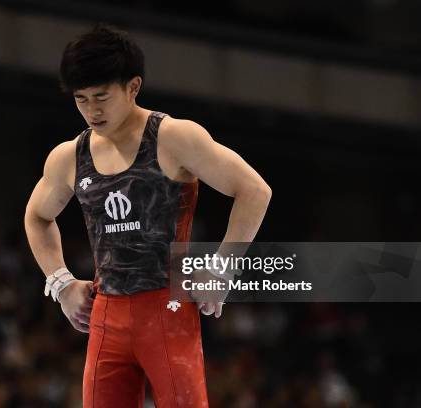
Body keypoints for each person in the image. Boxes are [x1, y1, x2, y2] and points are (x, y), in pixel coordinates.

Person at [24, 23, 271, 408]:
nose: (92, 110)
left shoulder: (174, 138)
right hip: (106, 315)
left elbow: (254, 191)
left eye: (102, 97)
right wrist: (60, 282)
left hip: (167, 311)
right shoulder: (70, 156)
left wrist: (223, 268)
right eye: (81, 99)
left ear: (133, 87)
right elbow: (37, 217)